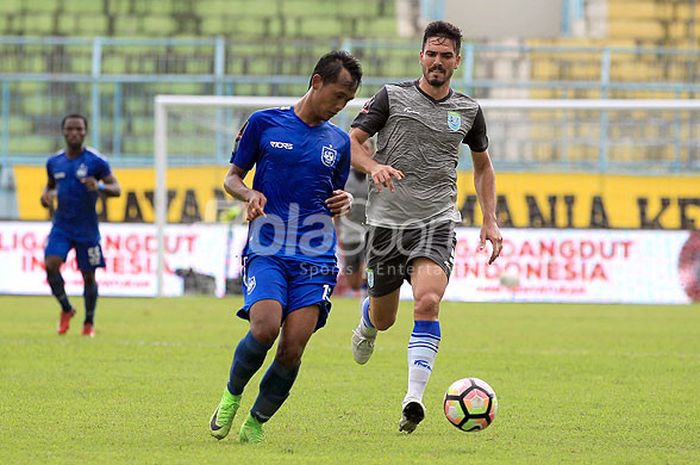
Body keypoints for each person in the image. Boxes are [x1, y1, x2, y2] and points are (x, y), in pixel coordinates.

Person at [348, 20, 503, 433]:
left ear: (457, 61)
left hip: (436, 221)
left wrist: (490, 219)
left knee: (428, 302)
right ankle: (367, 321)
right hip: (385, 223)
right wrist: (374, 165)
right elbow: (352, 141)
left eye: (446, 56)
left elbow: (483, 167)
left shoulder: (468, 111)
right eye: (431, 54)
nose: (437, 62)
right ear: (421, 56)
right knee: (385, 318)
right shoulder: (391, 96)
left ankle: (413, 398)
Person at [208, 50, 362, 444]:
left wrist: (341, 202)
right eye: (338, 95)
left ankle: (256, 422)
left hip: (315, 254)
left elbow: (333, 194)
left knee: (292, 347)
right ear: (316, 82)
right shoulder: (264, 122)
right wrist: (249, 194)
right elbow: (231, 178)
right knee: (265, 327)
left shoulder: (339, 141)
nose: (340, 106)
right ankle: (231, 395)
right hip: (269, 246)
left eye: (347, 100)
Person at [41, 114, 121, 337]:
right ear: (63, 132)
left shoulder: (96, 161)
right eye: (70, 129)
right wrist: (45, 197)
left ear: (85, 132)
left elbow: (117, 188)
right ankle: (66, 309)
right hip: (62, 227)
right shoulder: (54, 162)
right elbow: (48, 187)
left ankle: (88, 322)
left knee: (88, 276)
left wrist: (100, 187)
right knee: (50, 264)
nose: (74, 133)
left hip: (87, 230)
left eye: (79, 129)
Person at [336, 140, 374, 294]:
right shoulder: (344, 175)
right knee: (353, 281)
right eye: (360, 147)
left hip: (372, 230)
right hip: (349, 232)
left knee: (371, 269)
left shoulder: (376, 173)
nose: (363, 151)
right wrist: (338, 228)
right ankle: (363, 290)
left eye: (367, 148)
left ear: (372, 151)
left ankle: (367, 305)